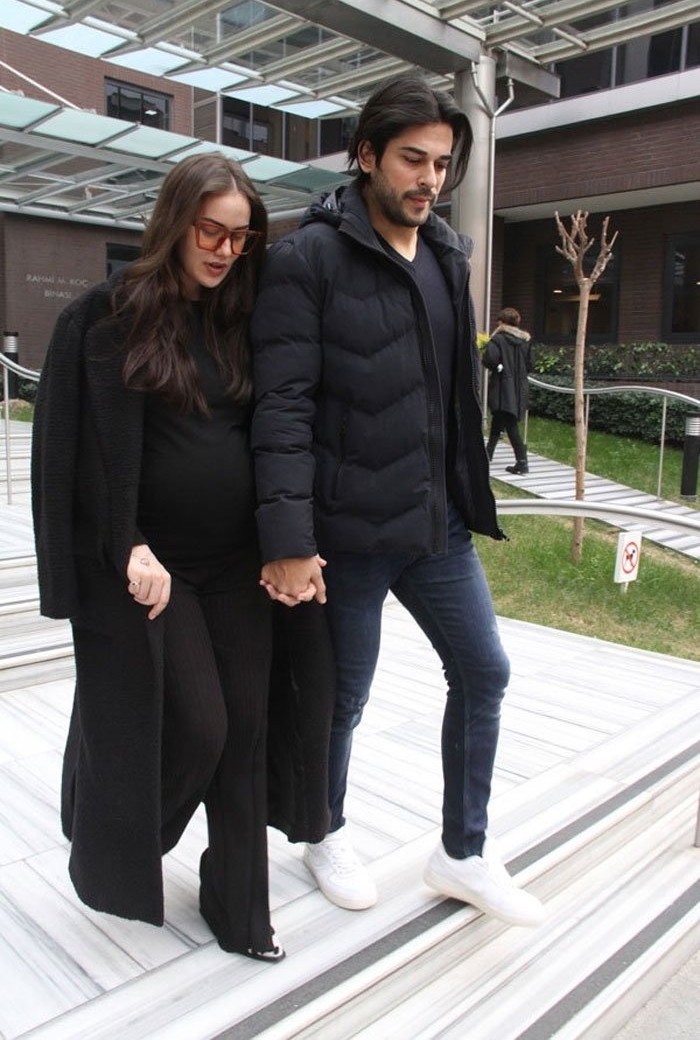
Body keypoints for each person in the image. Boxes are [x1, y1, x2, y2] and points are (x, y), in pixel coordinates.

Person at [250, 77, 545, 927]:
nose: (429, 179)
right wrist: (288, 537)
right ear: (367, 155)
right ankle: (325, 830)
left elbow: (449, 396)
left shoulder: (447, 256)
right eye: (413, 160)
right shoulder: (307, 260)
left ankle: (463, 853)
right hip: (344, 531)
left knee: (485, 670)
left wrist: (465, 489)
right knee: (343, 696)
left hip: (434, 522)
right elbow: (282, 407)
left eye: (442, 165)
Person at [31, 152, 333, 963]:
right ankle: (112, 826)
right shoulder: (105, 318)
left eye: (241, 236)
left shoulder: (244, 318)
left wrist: (291, 542)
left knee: (246, 736)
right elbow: (69, 455)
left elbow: (283, 428)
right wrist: (126, 542)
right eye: (210, 231)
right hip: (157, 571)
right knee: (201, 727)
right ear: (174, 221)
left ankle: (240, 912)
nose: (225, 250)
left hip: (238, 564)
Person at [482, 307, 533, 474]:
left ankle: (522, 462)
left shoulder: (498, 339)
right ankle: (487, 454)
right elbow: (530, 365)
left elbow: (489, 359)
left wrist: (498, 367)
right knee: (499, 419)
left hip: (503, 387)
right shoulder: (525, 341)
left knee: (510, 424)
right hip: (520, 387)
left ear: (501, 322)